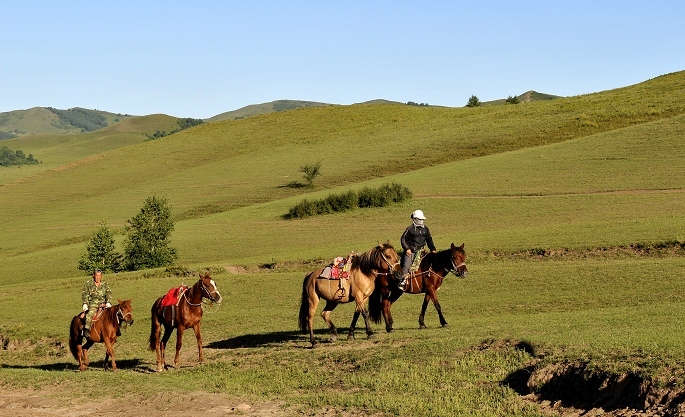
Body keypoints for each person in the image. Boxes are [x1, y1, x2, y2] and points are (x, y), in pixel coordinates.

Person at [399, 209, 436, 290]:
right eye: (420, 219)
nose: (422, 221)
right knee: (406, 265)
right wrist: (407, 249)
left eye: (422, 219)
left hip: (421, 251)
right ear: (415, 219)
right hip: (411, 252)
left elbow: (429, 240)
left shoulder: (425, 229)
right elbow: (403, 239)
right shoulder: (410, 229)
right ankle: (402, 281)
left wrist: (432, 249)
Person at [81, 269, 112, 339]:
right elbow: (85, 294)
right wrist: (85, 303)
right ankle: (86, 329)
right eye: (96, 276)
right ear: (93, 275)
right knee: (90, 314)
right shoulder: (88, 284)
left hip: (103, 304)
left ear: (101, 276)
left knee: (113, 314)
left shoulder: (105, 284)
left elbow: (108, 293)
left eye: (99, 276)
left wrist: (108, 302)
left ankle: (116, 330)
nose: (98, 277)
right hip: (93, 304)